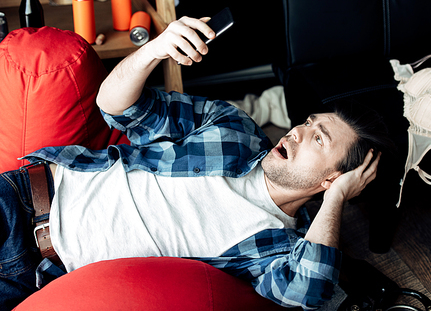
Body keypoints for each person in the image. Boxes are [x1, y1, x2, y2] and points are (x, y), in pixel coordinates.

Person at [0, 16, 392, 310]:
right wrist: (155, 48)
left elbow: (309, 292)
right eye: (308, 122)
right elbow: (115, 107)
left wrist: (336, 200)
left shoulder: (278, 249)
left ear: (332, 179)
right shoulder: (233, 128)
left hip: (35, 277)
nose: (296, 132)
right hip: (24, 200)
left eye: (317, 139)